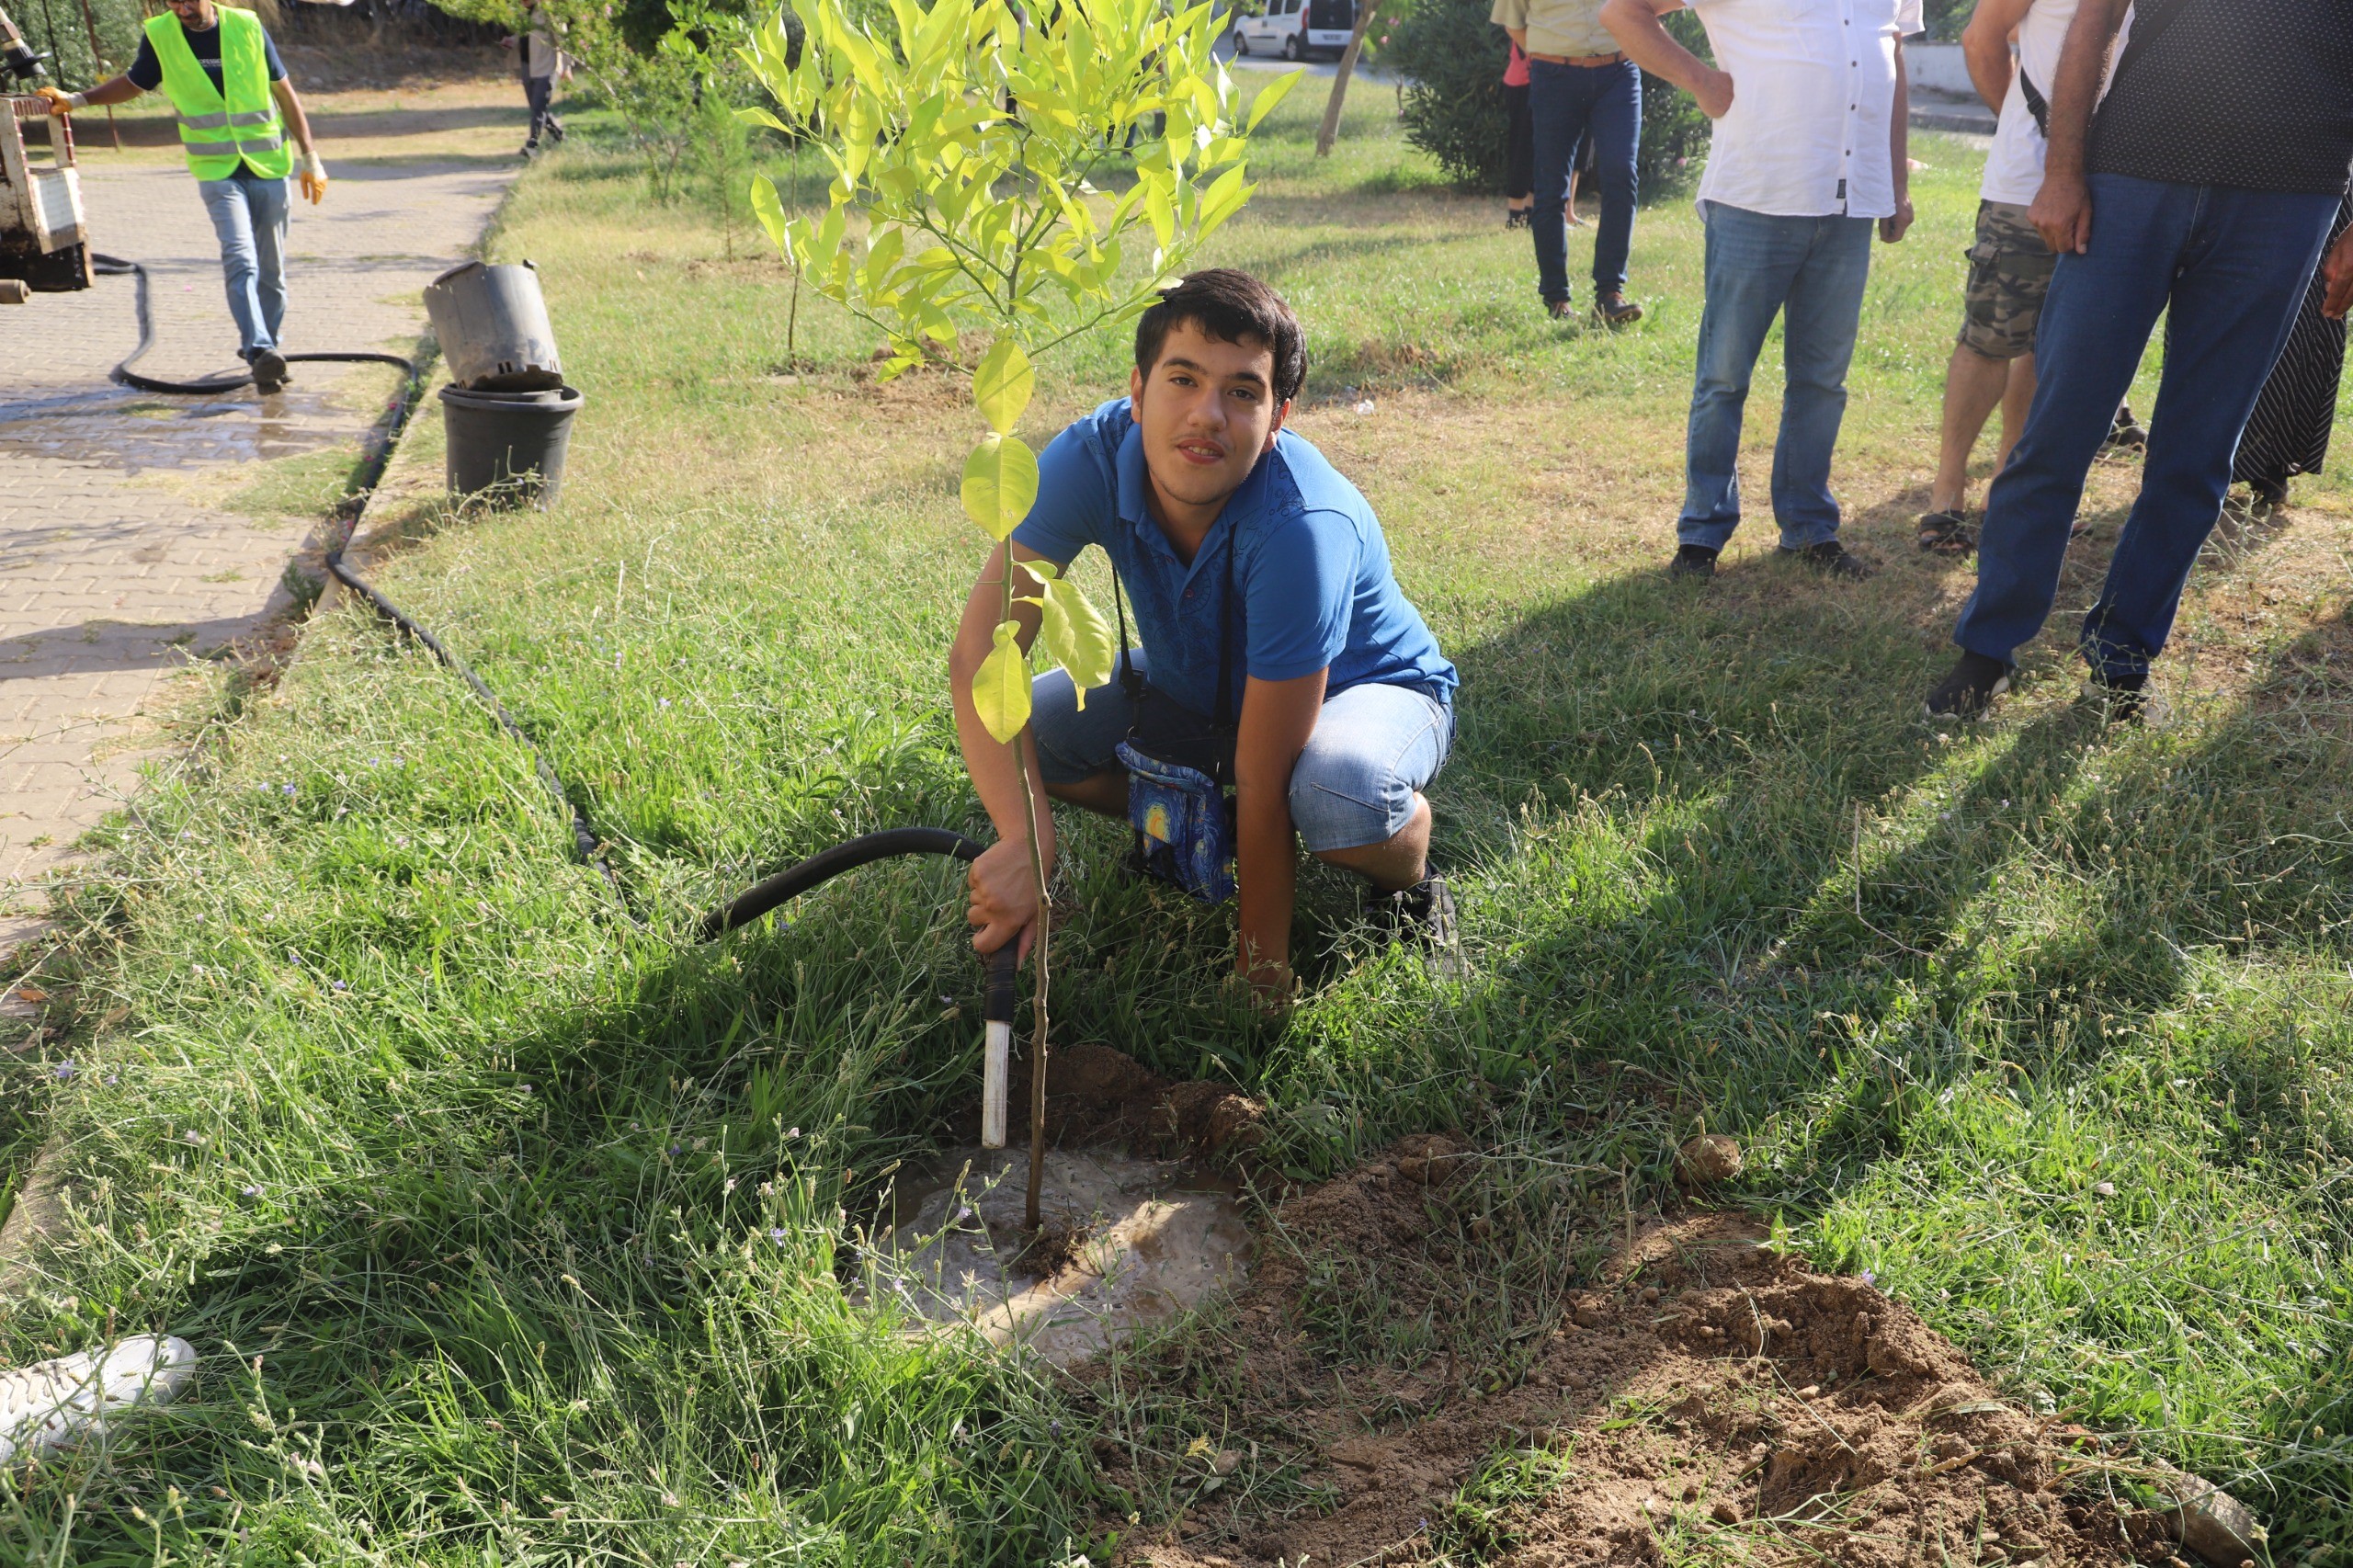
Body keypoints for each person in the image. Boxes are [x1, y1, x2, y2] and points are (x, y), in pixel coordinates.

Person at [951, 270, 1461, 1002]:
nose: (1206, 415)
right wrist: (1027, 841)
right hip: (1198, 682)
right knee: (1035, 730)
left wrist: (1261, 977)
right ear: (1137, 387)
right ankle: (1208, 826)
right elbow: (982, 654)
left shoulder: (1300, 527)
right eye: (1183, 379)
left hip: (1368, 690)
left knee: (1331, 795)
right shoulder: (1087, 458)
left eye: (1243, 392)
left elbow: (1265, 775)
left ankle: (1407, 870)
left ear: (1278, 415)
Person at [1926, 0, 2353, 722]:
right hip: (2131, 175)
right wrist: (2062, 169)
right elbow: (2092, 22)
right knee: (2058, 427)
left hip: (2289, 200)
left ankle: (2122, 661)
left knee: (2198, 451)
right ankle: (1989, 649)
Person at [1602, 0, 1917, 582]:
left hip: (1848, 202)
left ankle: (1808, 527)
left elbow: (1891, 59)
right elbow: (1625, 12)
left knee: (1823, 380)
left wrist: (1895, 182)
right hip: (1755, 194)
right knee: (1724, 376)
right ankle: (1702, 534)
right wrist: (1701, 80)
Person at [35, 0, 324, 393]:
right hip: (217, 172)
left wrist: (311, 157)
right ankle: (258, 350)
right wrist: (79, 99)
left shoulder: (247, 25)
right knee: (240, 256)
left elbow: (284, 92)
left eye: (187, 0)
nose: (181, 8)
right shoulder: (161, 33)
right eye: (172, 1)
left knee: (271, 269)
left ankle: (269, 348)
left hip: (269, 166)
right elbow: (134, 84)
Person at [1492, 0, 1643, 324]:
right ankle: (1557, 299)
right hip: (1554, 76)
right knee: (1550, 187)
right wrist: (1549, 52)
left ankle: (1610, 293)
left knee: (1621, 173)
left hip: (1618, 72)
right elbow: (1513, 22)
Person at [2231, 195, 2353, 511]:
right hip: (2233, 173)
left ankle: (2273, 461)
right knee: (2218, 306)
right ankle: (2187, 459)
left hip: (2324, 177)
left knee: (2305, 314)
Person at [504, 0, 569, 159]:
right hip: (527, 67)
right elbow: (522, 35)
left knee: (538, 108)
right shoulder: (522, 12)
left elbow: (563, 40)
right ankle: (559, 135)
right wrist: (511, 41)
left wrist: (567, 67)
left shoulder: (550, 13)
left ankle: (532, 145)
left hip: (547, 67)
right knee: (536, 108)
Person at [1504, 39, 1534, 229]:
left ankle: (1531, 213)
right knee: (1522, 148)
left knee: (1538, 149)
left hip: (1543, 78)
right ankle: (1515, 216)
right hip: (1523, 80)